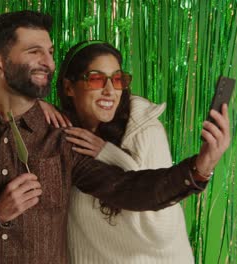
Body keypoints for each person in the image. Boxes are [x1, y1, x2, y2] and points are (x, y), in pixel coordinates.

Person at [0, 11, 230, 264]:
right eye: (34, 52)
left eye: (50, 52)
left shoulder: (61, 138)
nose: (49, 63)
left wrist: (200, 168)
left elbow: (128, 188)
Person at [54, 40, 196, 263]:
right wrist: (37, 106)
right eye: (96, 79)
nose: (110, 91)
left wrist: (108, 154)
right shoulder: (60, 135)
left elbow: (163, 228)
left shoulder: (144, 131)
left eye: (118, 80)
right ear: (69, 87)